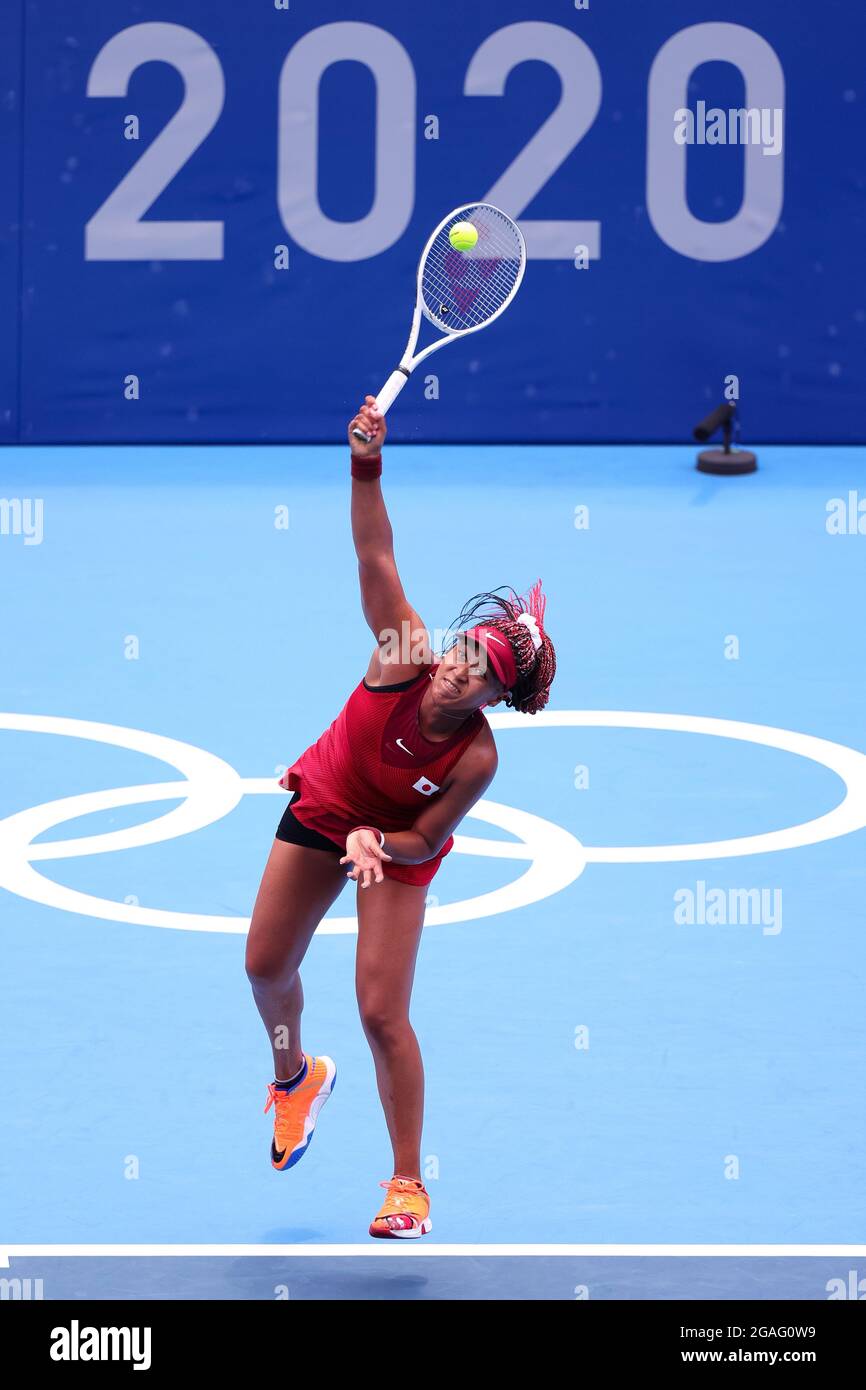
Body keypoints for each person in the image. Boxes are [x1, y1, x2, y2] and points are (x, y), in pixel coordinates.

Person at [245, 396, 556, 1238]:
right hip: (328, 802)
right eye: (465, 652)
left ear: (498, 695)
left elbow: (429, 836)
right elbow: (374, 551)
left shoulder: (478, 757)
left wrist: (382, 844)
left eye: (483, 674)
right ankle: (293, 1081)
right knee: (265, 969)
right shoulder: (403, 653)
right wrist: (366, 463)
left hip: (396, 846)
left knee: (382, 1014)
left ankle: (407, 1185)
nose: (460, 673)